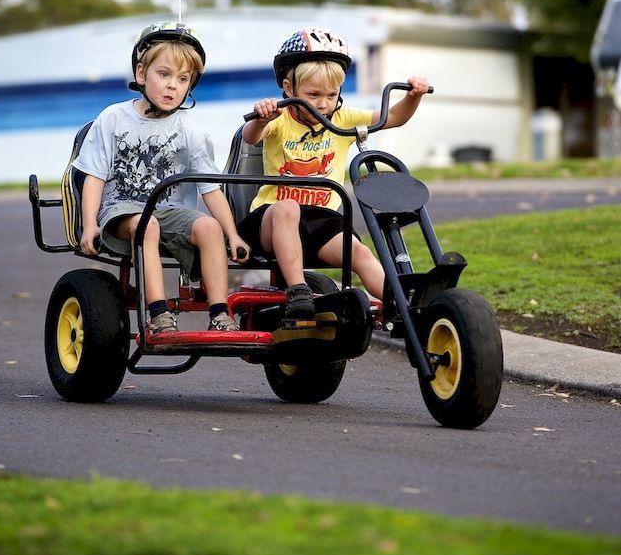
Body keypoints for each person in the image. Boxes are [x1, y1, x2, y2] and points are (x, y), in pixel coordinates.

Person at [238, 26, 430, 322]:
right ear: (289, 89)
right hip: (271, 219)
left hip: (321, 222)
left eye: (331, 94)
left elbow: (392, 117)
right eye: (313, 94)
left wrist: (414, 96)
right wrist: (263, 116)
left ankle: (407, 309)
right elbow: (251, 137)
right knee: (287, 208)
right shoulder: (281, 117)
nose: (324, 103)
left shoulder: (342, 118)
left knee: (361, 253)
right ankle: (298, 290)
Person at [73, 19, 249, 335]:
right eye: (164, 74)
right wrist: (89, 224)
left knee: (209, 227)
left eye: (182, 79)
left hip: (169, 213)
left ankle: (221, 314)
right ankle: (158, 313)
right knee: (147, 224)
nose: (172, 85)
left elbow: (210, 189)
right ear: (141, 74)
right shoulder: (112, 118)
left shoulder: (190, 130)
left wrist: (232, 235)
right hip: (122, 211)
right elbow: (95, 176)